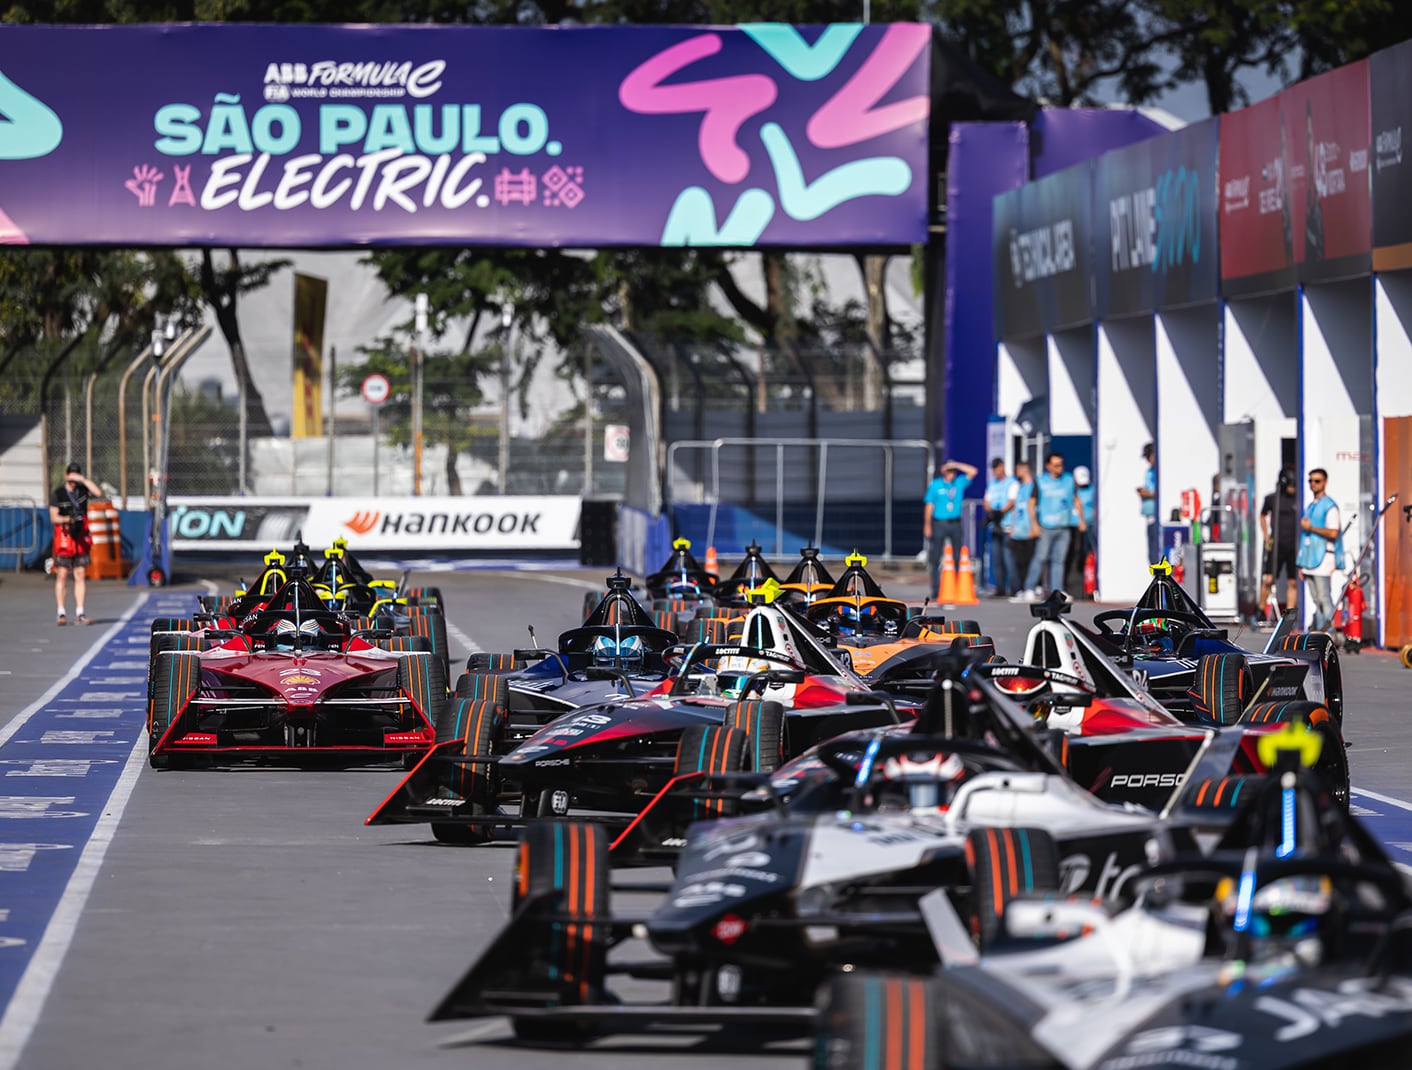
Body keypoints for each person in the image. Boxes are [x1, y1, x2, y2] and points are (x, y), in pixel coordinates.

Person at [1022, 452, 1086, 599]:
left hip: (1064, 526)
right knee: (1041, 557)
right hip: (1046, 525)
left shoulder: (1069, 480)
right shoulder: (1041, 481)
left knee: (1059, 560)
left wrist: (1081, 520)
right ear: (1048, 466)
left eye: (1061, 464)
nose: (1059, 467)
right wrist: (1034, 524)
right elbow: (1031, 503)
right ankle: (1029, 588)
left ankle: (1057, 591)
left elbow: (1076, 500)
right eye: (1056, 465)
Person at [50, 461, 102, 625]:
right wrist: (67, 519)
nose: (73, 480)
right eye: (71, 476)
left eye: (76, 476)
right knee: (62, 574)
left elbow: (98, 492)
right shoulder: (58, 493)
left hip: (80, 537)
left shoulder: (82, 490)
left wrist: (83, 479)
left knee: (80, 574)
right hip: (65, 537)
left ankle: (80, 612)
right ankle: (61, 612)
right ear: (66, 476)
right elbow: (53, 517)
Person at [922, 458, 978, 598]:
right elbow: (929, 506)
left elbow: (973, 471)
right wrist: (927, 525)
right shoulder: (936, 485)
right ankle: (936, 589)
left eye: (953, 471)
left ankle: (958, 587)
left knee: (958, 555)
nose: (951, 473)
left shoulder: (958, 482)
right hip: (939, 522)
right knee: (936, 557)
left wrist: (957, 465)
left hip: (955, 523)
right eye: (949, 470)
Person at [1297, 467, 1342, 631]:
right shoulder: (1311, 506)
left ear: (1325, 482)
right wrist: (1301, 563)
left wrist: (1312, 528)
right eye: (1310, 481)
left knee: (1324, 598)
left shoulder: (1329, 506)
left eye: (1317, 481)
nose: (1313, 484)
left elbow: (1333, 532)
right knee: (1316, 600)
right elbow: (1304, 538)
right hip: (1309, 560)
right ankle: (1322, 633)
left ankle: (1330, 632)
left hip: (1323, 558)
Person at [1259, 469, 1299, 621]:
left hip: (1292, 545)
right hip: (1276, 545)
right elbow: (1262, 515)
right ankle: (1261, 609)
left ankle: (1289, 617)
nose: (1293, 488)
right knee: (1269, 579)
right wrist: (1266, 534)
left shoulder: (1297, 499)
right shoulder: (1272, 499)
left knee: (1293, 582)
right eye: (1290, 485)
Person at [982, 458, 1017, 596]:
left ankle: (1014, 588)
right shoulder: (992, 484)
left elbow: (1012, 501)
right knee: (996, 559)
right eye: (994, 469)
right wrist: (991, 513)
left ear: (1003, 467)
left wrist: (1001, 512)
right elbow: (987, 501)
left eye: (998, 468)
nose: (996, 471)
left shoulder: (1012, 483)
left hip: (1007, 525)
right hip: (995, 526)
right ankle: (1000, 588)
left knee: (1009, 558)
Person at [1006, 461, 1037, 602]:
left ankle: (1031, 588)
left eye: (1018, 469)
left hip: (1029, 528)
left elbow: (1035, 508)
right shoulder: (1019, 487)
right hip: (1018, 529)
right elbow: (1016, 509)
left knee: (1030, 560)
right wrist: (1012, 526)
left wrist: (1034, 526)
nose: (1016, 472)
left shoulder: (1033, 486)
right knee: (1019, 561)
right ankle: (1021, 589)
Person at [1065, 465, 1096, 596]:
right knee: (1073, 554)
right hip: (1073, 526)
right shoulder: (1070, 490)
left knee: (1087, 555)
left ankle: (1087, 587)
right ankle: (1073, 586)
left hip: (1088, 526)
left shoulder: (1092, 489)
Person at [1139, 443, 1158, 564]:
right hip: (1149, 515)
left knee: (1156, 553)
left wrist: (1148, 494)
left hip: (1156, 517)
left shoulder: (1159, 472)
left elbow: (1158, 492)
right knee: (1151, 556)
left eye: (1149, 457)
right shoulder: (1149, 471)